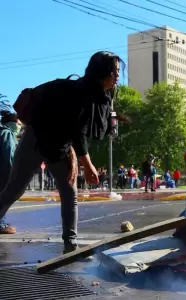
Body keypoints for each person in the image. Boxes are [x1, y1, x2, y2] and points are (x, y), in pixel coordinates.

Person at [0, 51, 125, 253]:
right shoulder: (79, 93)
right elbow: (78, 132)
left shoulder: (101, 96)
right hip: (36, 140)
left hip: (60, 146)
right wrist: (88, 164)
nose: (118, 76)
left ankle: (70, 245)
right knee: (13, 191)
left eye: (119, 71)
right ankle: (70, 243)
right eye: (114, 71)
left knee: (70, 193)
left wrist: (75, 155)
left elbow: (75, 132)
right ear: (102, 72)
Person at [0, 111, 22, 234]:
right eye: (19, 123)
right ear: (12, 123)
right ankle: (1, 224)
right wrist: (13, 173)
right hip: (3, 172)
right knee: (4, 197)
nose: (20, 126)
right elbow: (9, 155)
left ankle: (2, 222)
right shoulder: (7, 134)